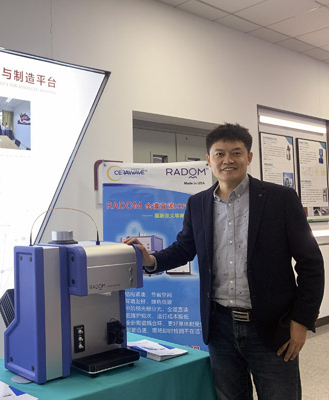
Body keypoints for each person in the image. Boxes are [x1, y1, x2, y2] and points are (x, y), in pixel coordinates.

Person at [124, 123, 324, 400]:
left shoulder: (280, 199)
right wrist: (151, 259)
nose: (227, 160)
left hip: (271, 325)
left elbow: (311, 264)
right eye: (219, 154)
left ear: (249, 157)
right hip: (220, 326)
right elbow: (184, 248)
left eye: (236, 153)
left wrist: (301, 321)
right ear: (208, 160)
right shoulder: (198, 203)